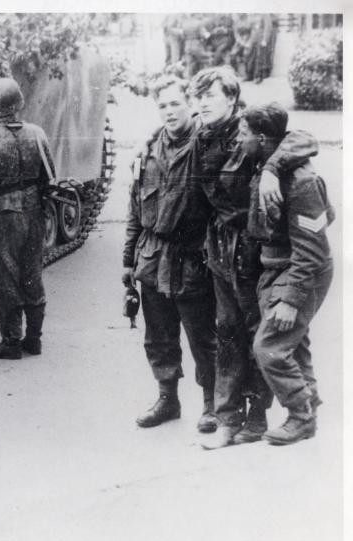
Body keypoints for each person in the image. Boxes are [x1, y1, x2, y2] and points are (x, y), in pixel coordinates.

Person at [187, 67, 318, 449]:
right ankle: (228, 418)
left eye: (209, 96)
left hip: (253, 250)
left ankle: (258, 416)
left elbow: (302, 137)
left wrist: (274, 168)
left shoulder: (252, 127)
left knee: (255, 334)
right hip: (219, 250)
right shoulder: (202, 133)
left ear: (231, 98)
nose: (202, 104)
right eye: (198, 98)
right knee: (226, 333)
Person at [122, 76, 218, 433]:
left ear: (190, 103)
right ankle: (168, 398)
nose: (168, 111)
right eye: (162, 105)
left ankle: (211, 404)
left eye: (175, 103)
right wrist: (127, 261)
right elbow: (134, 209)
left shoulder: (207, 143)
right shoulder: (148, 149)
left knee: (202, 336)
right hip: (151, 257)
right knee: (158, 336)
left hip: (192, 257)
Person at [240, 103, 333, 445]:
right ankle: (309, 403)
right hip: (277, 267)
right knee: (294, 342)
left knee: (270, 348)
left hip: (301, 271)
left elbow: (312, 249)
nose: (238, 140)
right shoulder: (266, 165)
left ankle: (300, 417)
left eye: (243, 134)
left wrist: (292, 299)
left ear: (262, 138)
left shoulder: (302, 182)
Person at [0, 78, 54, 359]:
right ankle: (34, 339)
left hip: (2, 218)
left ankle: (11, 342)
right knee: (32, 274)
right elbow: (49, 176)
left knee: (4, 277)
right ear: (18, 104)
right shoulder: (37, 133)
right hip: (34, 212)